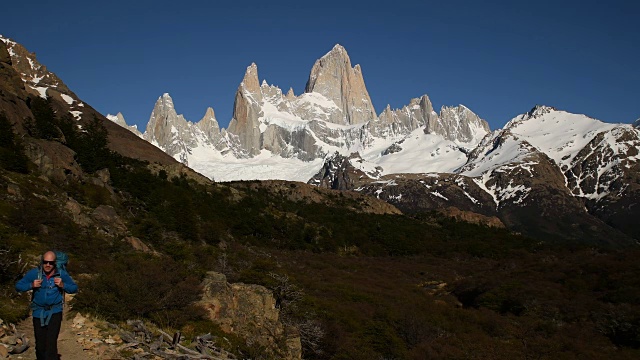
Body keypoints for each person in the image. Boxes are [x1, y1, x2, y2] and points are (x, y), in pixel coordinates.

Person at [15, 251, 78, 360]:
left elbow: (74, 288)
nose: (48, 265)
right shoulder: (34, 273)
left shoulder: (61, 274)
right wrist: (31, 285)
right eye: (45, 262)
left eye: (51, 263)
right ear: (42, 262)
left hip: (55, 311)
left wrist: (63, 285)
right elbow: (18, 286)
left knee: (51, 344)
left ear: (55, 263)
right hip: (38, 312)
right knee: (40, 345)